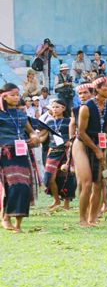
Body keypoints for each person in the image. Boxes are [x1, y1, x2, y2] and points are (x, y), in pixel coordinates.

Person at [72, 76, 107, 227]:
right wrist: (96, 150)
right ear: (97, 89)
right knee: (86, 183)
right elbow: (81, 133)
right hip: (82, 144)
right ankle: (82, 219)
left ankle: (92, 218)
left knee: (98, 183)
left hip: (99, 143)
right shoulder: (86, 107)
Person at [0, 83, 40, 232]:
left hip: (22, 153)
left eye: (18, 95)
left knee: (24, 186)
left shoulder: (21, 114)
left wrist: (34, 137)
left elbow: (30, 131)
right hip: (5, 154)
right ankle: (6, 218)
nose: (16, 98)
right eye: (13, 95)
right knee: (13, 185)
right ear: (3, 96)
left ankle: (18, 224)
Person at [40, 98, 75, 211]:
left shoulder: (69, 121)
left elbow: (75, 134)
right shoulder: (49, 122)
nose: (54, 109)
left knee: (66, 177)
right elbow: (43, 137)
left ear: (63, 108)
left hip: (67, 151)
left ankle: (66, 204)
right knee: (49, 178)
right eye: (53, 107)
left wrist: (70, 141)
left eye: (57, 107)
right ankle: (56, 200)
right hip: (53, 151)